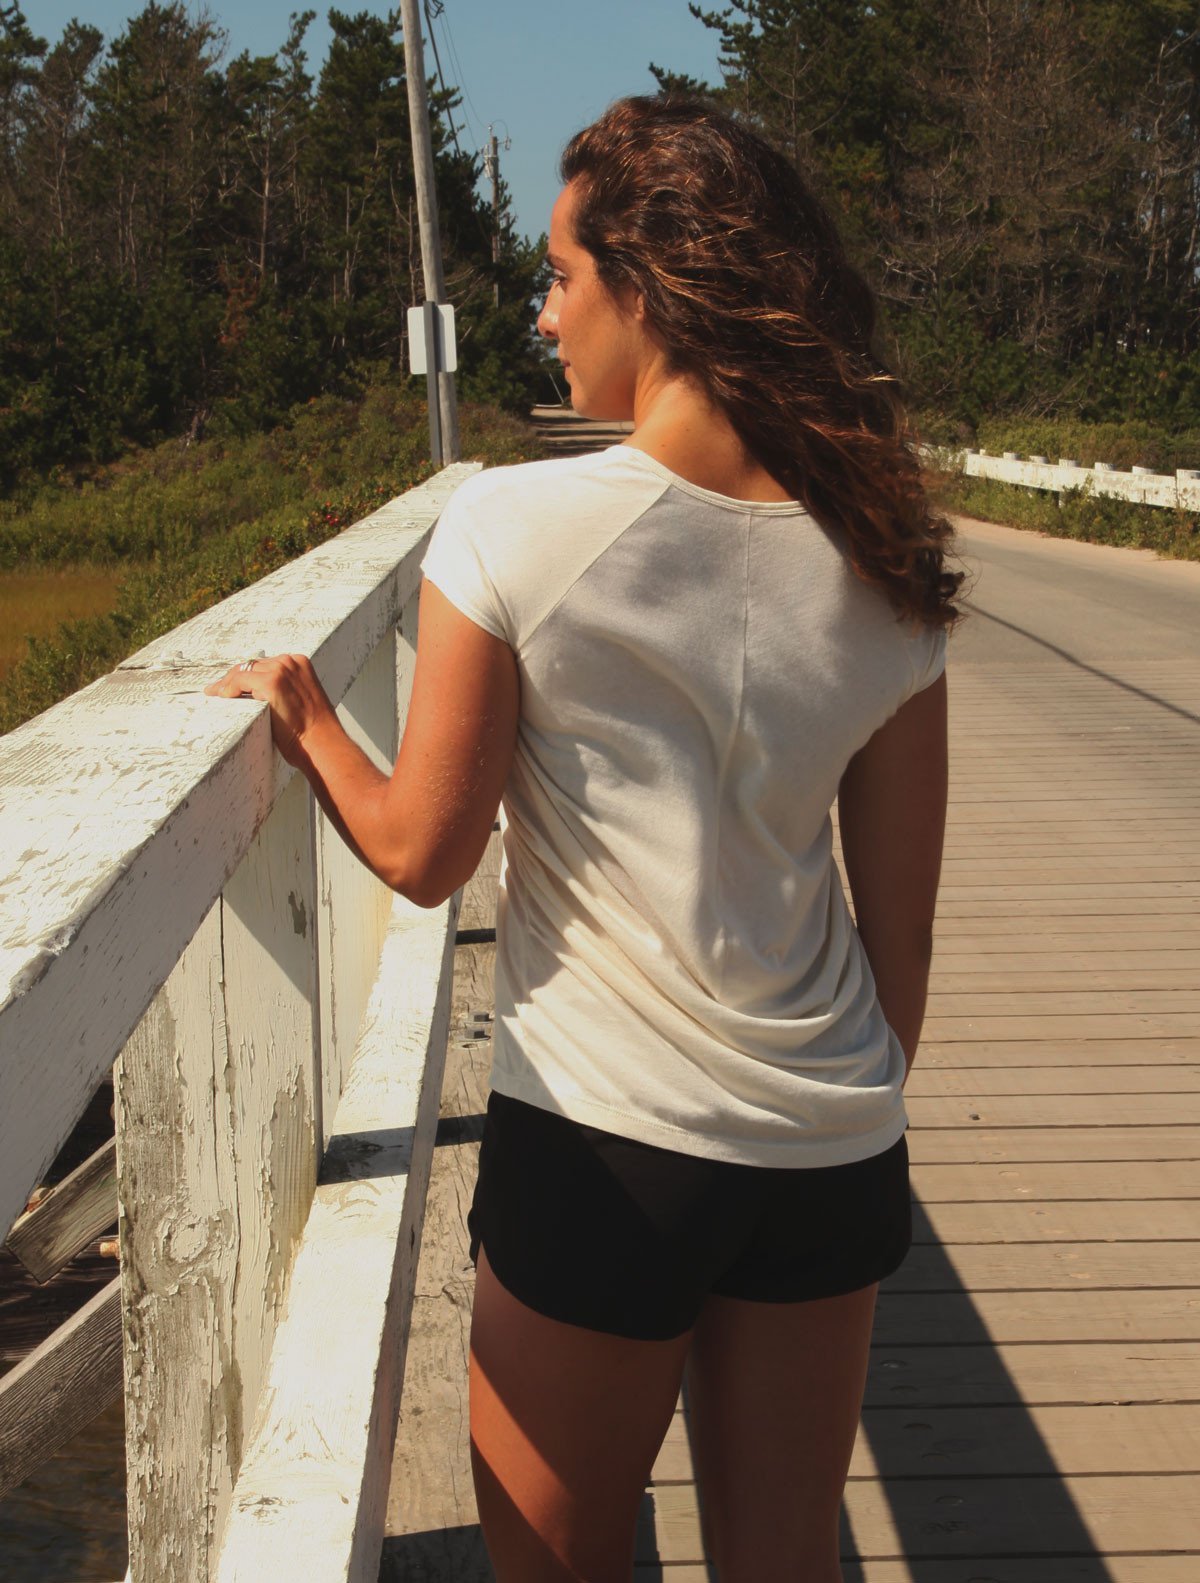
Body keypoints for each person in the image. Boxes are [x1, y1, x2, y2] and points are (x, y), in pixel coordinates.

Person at [206, 95, 962, 1583]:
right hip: (829, 1143)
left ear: (650, 286)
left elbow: (424, 852)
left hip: (608, 1149)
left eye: (559, 277)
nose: (543, 316)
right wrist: (820, 1103)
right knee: (788, 1562)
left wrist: (305, 723)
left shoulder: (515, 528)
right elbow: (905, 966)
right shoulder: (887, 559)